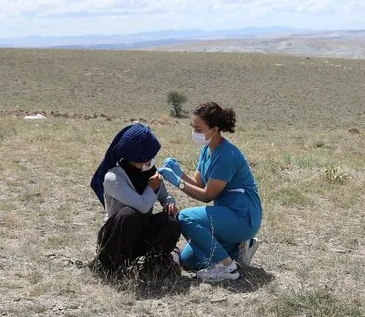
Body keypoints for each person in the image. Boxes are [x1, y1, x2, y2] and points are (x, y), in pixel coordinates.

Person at [158, 102, 262, 283]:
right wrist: (179, 172)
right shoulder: (207, 149)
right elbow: (199, 183)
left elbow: (207, 195)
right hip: (227, 215)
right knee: (189, 260)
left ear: (214, 130)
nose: (194, 132)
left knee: (184, 217)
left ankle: (227, 268)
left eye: (198, 128)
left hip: (242, 216)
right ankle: (241, 247)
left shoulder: (226, 155)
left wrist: (176, 181)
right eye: (193, 127)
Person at [90, 123, 181, 274]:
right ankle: (111, 266)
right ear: (138, 156)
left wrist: (169, 203)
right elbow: (142, 206)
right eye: (149, 156)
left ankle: (155, 263)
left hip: (142, 231)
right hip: (118, 236)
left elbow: (165, 195)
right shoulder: (114, 177)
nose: (152, 159)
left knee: (170, 222)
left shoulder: (150, 172)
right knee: (129, 214)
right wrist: (151, 187)